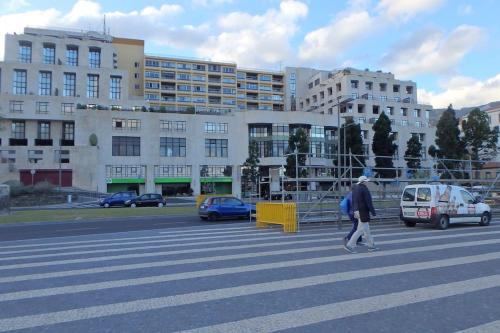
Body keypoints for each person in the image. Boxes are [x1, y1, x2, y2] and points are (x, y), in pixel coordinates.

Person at [344, 175, 379, 253]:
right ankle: (349, 245)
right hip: (363, 212)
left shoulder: (355, 189)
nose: (367, 182)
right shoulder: (364, 189)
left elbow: (353, 201)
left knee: (366, 230)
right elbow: (368, 202)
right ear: (363, 182)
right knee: (360, 230)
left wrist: (354, 210)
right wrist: (373, 212)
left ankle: (371, 246)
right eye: (366, 181)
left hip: (357, 211)